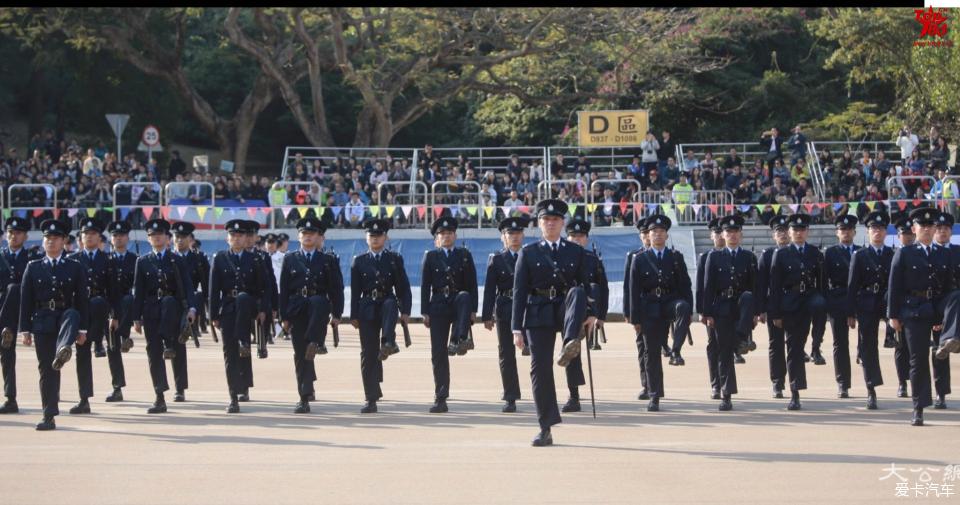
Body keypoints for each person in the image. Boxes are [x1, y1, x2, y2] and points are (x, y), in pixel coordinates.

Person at [512, 199, 593, 446]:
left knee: (577, 293)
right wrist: (517, 328)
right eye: (546, 220)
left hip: (565, 309)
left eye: (555, 220)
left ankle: (570, 343)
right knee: (540, 369)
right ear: (539, 224)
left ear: (562, 223)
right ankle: (545, 426)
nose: (550, 223)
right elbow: (519, 291)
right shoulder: (529, 252)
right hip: (538, 311)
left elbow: (587, 286)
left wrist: (591, 313)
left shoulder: (576, 251)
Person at [19, 219, 89, 430]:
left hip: (65, 319)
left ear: (63, 241)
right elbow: (26, 300)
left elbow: (82, 301)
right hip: (42, 320)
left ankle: (64, 348)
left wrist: (83, 329)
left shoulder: (74, 267)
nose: (51, 241)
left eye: (55, 238)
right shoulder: (33, 267)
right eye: (47, 238)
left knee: (72, 312)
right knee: (47, 370)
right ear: (43, 242)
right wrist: (25, 330)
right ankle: (48, 414)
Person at [888, 208, 953, 426]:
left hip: (935, 308)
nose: (926, 229)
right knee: (918, 360)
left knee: (941, 353)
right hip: (913, 309)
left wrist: (944, 316)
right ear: (914, 229)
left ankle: (942, 392)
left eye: (930, 225)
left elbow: (948, 286)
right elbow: (894, 285)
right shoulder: (905, 253)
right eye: (922, 226)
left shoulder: (944, 253)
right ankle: (919, 407)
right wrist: (893, 315)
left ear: (935, 228)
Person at [132, 219, 198, 414]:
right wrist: (136, 318)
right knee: (153, 352)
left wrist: (192, 308)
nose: (157, 237)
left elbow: (187, 286)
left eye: (160, 234)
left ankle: (179, 386)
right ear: (148, 239)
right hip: (151, 310)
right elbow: (139, 292)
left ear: (167, 238)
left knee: (177, 347)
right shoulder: (142, 262)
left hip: (173, 310)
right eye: (153, 235)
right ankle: (159, 396)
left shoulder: (176, 260)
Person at [279, 217, 344, 414]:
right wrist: (284, 317)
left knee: (317, 302)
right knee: (300, 354)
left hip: (318, 309)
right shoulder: (290, 258)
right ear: (298, 236)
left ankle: (316, 342)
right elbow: (283, 289)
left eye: (311, 234)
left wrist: (337, 313)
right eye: (304, 233)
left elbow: (336, 288)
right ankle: (303, 396)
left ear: (318, 237)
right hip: (297, 308)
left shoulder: (328, 260)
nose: (307, 236)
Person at [629, 214, 692, 412]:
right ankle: (654, 395)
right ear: (648, 235)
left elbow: (685, 285)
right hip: (648, 308)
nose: (657, 235)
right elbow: (633, 289)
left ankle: (676, 350)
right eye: (653, 232)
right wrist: (634, 317)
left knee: (682, 306)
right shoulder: (639, 259)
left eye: (661, 232)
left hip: (669, 303)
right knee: (651, 353)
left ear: (666, 235)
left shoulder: (675, 257)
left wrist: (688, 309)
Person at [348, 218, 412, 414]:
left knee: (391, 303)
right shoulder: (359, 261)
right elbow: (355, 291)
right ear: (366, 238)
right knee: (368, 353)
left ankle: (388, 341)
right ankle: (370, 397)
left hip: (387, 305)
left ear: (386, 237)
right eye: (371, 236)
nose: (375, 239)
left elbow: (403, 287)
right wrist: (353, 315)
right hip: (367, 307)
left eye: (378, 236)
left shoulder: (394, 259)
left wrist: (406, 311)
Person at [209, 219, 270, 413]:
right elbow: (213, 289)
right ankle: (233, 396)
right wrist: (213, 315)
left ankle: (244, 340)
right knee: (229, 354)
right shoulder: (219, 258)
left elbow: (264, 288)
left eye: (240, 235)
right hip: (228, 308)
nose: (236, 238)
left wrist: (263, 311)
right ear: (227, 238)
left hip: (248, 307)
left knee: (243, 297)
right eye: (233, 235)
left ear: (246, 239)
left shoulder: (256, 259)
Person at [769, 213, 825, 410]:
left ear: (807, 232)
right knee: (793, 348)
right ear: (789, 232)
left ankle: (817, 345)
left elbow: (821, 282)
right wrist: (775, 313)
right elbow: (774, 286)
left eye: (802, 230)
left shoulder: (815, 253)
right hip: (790, 304)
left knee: (820, 304)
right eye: (795, 230)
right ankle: (795, 392)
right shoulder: (781, 254)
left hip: (810, 299)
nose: (799, 233)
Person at [421, 217, 478, 413]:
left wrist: (473, 311)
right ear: (436, 238)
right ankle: (441, 396)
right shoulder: (430, 257)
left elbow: (472, 284)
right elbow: (425, 285)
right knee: (438, 353)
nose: (446, 236)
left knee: (464, 296)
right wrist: (424, 312)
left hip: (458, 304)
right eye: (442, 234)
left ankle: (459, 338)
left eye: (449, 233)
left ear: (455, 235)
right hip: (437, 306)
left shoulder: (464, 255)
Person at [701, 215, 758, 411]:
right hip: (722, 307)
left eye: (735, 232)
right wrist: (706, 313)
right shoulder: (714, 257)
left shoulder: (749, 257)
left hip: (742, 307)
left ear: (740, 234)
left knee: (750, 296)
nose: (732, 235)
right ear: (723, 235)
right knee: (724, 353)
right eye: (728, 232)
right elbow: (708, 287)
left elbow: (755, 286)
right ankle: (726, 395)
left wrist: (756, 313)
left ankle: (741, 338)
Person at [561, 219, 609, 413]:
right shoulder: (559, 255)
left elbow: (601, 288)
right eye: (573, 236)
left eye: (580, 237)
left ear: (586, 239)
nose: (577, 240)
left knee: (572, 352)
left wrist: (599, 315)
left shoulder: (592, 259)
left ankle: (574, 397)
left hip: (582, 311)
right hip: (557, 307)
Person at [847, 211, 893, 410]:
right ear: (867, 232)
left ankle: (904, 382)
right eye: (874, 229)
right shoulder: (860, 255)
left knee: (901, 340)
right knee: (868, 346)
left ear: (885, 232)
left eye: (881, 229)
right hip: (866, 302)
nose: (877, 232)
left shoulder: (893, 254)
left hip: (888, 303)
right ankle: (871, 389)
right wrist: (850, 313)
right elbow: (852, 285)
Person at [482, 217, 528, 413]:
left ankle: (542, 392)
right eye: (510, 233)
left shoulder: (530, 256)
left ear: (523, 235)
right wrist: (486, 315)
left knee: (537, 352)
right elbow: (490, 289)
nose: (514, 237)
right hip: (505, 308)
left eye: (517, 233)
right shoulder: (497, 259)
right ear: (504, 237)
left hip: (528, 308)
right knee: (506, 353)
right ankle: (510, 396)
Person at [66, 218, 110, 415]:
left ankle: (99, 341)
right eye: (86, 234)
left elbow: (114, 291)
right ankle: (84, 399)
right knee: (82, 355)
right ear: (81, 238)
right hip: (81, 313)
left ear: (99, 237)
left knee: (98, 302)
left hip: (101, 313)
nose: (89, 236)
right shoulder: (73, 260)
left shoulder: (107, 260)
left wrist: (116, 315)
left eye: (93, 233)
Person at [0, 217, 41, 414]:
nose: (13, 236)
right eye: (10, 232)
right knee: (7, 355)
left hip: (24, 309)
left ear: (25, 236)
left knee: (15, 288)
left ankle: (6, 329)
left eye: (17, 233)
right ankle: (11, 399)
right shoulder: (1, 256)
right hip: (2, 309)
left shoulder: (32, 259)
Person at [822, 214, 860, 398]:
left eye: (849, 229)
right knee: (840, 344)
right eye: (842, 229)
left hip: (860, 300)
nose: (846, 232)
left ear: (854, 231)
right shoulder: (830, 253)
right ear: (837, 233)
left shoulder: (861, 251)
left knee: (867, 343)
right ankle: (843, 383)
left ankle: (870, 384)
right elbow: (823, 281)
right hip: (838, 299)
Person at [104, 221, 137, 402]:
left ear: (127, 237)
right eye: (115, 235)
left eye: (122, 235)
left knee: (128, 299)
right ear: (111, 238)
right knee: (112, 349)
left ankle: (125, 335)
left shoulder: (136, 259)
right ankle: (117, 388)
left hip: (128, 308)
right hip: (108, 308)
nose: (118, 238)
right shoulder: (105, 259)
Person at [931, 212, 957, 408]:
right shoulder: (928, 252)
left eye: (945, 229)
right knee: (939, 351)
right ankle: (941, 393)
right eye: (938, 228)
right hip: (938, 308)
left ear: (951, 231)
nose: (942, 231)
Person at [697, 217, 724, 399]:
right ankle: (716, 384)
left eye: (723, 233)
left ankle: (727, 385)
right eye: (717, 233)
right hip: (713, 308)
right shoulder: (706, 257)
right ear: (711, 236)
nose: (721, 236)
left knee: (729, 347)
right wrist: (703, 311)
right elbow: (701, 286)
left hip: (734, 308)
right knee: (714, 345)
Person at [624, 216, 650, 400]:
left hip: (661, 309)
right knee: (643, 348)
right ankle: (647, 385)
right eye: (643, 234)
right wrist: (629, 313)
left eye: (649, 233)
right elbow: (628, 287)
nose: (647, 237)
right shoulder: (634, 256)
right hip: (641, 309)